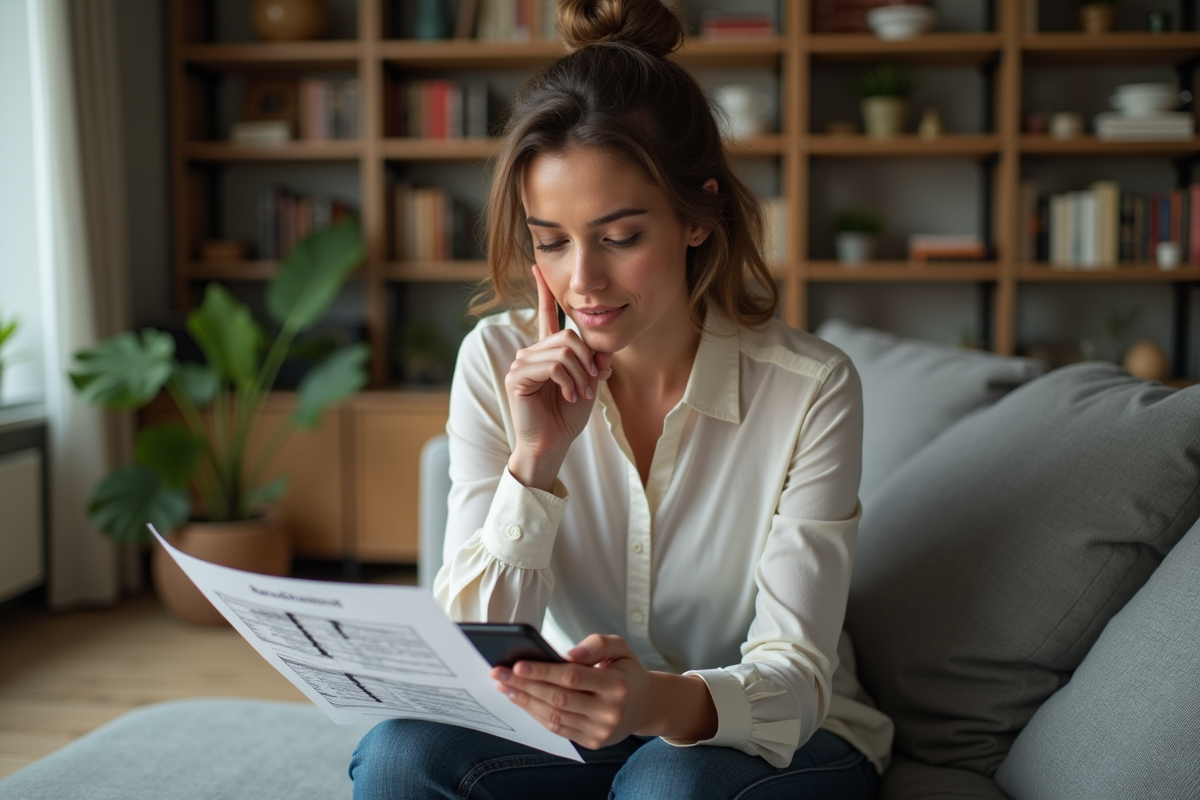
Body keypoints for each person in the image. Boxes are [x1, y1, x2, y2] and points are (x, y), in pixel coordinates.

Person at [349, 1, 893, 797]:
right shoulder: (496, 361)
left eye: (620, 237)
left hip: (777, 733)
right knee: (401, 756)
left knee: (669, 781)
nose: (582, 283)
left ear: (698, 216)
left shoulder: (811, 388)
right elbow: (468, 651)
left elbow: (796, 677)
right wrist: (535, 463)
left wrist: (653, 702)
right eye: (550, 241)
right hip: (584, 725)